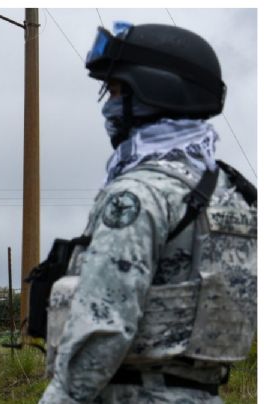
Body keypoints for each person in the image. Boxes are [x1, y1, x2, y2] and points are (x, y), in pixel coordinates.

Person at [39, 23, 256, 403]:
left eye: (118, 91)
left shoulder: (138, 194)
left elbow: (103, 327)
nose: (109, 105)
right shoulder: (234, 193)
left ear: (154, 91)